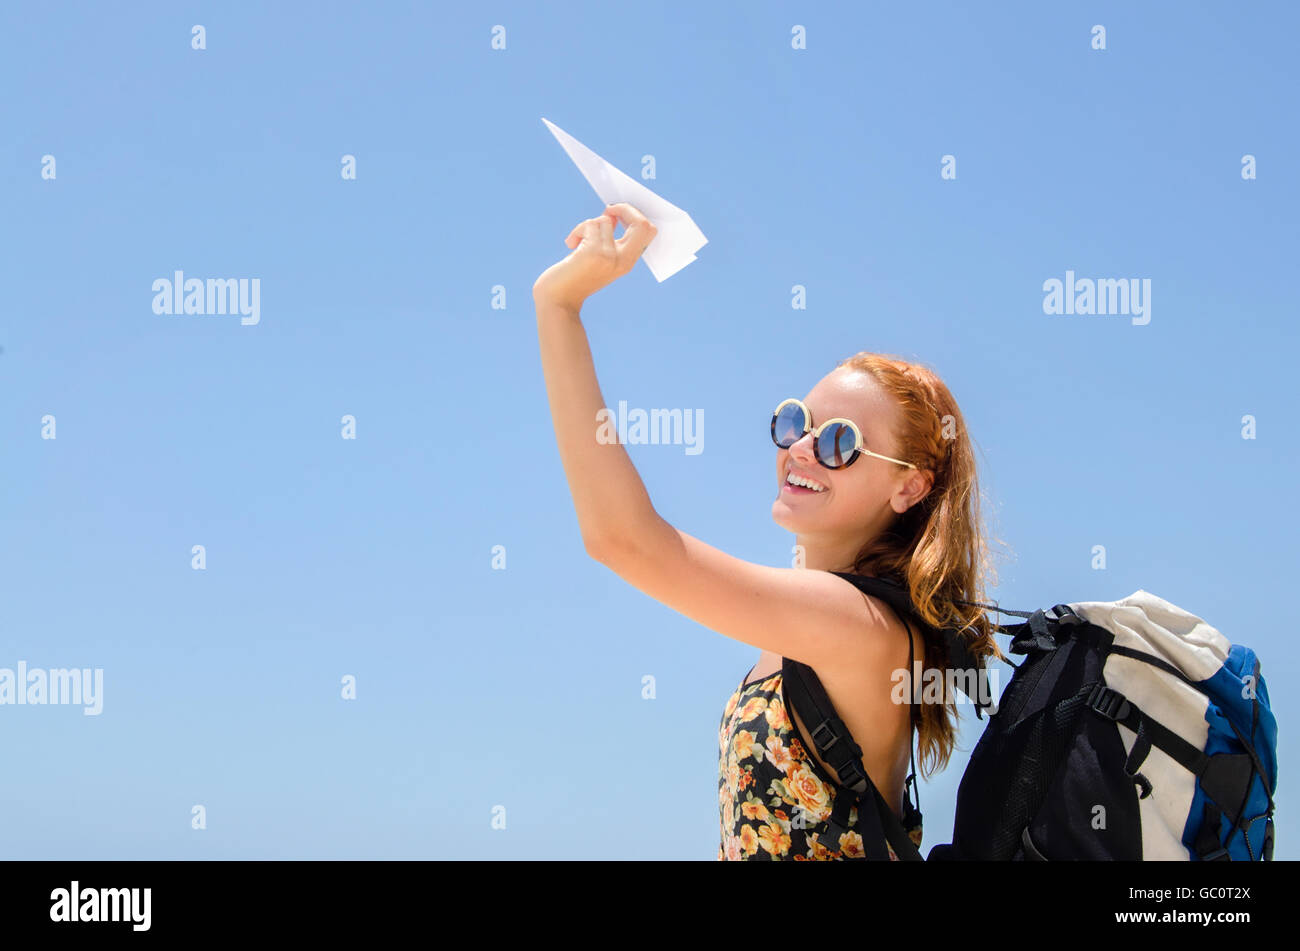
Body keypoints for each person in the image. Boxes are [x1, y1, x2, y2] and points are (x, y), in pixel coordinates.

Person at [533, 202, 1003, 860]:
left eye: (841, 441)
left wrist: (559, 307)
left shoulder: (855, 624)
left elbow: (622, 537)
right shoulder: (824, 622)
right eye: (795, 422)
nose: (801, 448)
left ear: (909, 485)